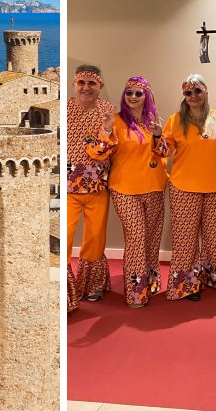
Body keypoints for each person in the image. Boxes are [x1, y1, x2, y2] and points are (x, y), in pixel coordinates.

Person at [88, 76, 171, 308]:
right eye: (129, 93)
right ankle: (135, 292)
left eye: (138, 93)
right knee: (136, 237)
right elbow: (98, 153)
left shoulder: (153, 122)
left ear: (147, 97)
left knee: (152, 238)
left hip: (154, 187)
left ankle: (150, 284)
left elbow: (164, 153)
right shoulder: (114, 122)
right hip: (124, 188)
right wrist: (105, 130)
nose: (133, 97)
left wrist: (157, 134)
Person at [161, 74, 216, 301]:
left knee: (213, 237)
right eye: (188, 92)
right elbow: (164, 151)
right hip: (184, 187)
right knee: (186, 238)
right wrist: (156, 135)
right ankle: (186, 285)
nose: (193, 96)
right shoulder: (175, 121)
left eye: (197, 91)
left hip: (214, 187)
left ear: (206, 91)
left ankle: (214, 277)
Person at [67, 65, 117, 308]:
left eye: (91, 83)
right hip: (66, 188)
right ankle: (65, 293)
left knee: (95, 238)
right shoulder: (63, 109)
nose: (86, 87)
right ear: (74, 84)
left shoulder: (107, 111)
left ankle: (91, 286)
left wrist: (107, 130)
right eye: (81, 83)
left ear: (100, 87)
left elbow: (101, 153)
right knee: (64, 239)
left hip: (97, 187)